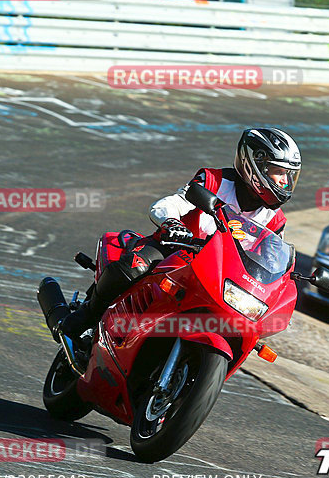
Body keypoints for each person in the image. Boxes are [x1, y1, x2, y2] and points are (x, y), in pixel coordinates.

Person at [46, 127, 301, 342]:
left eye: (289, 175)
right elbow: (169, 204)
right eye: (278, 172)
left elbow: (270, 258)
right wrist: (170, 223)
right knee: (135, 266)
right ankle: (81, 320)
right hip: (177, 250)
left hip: (221, 274)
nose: (283, 182)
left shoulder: (275, 219)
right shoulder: (214, 180)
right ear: (254, 164)